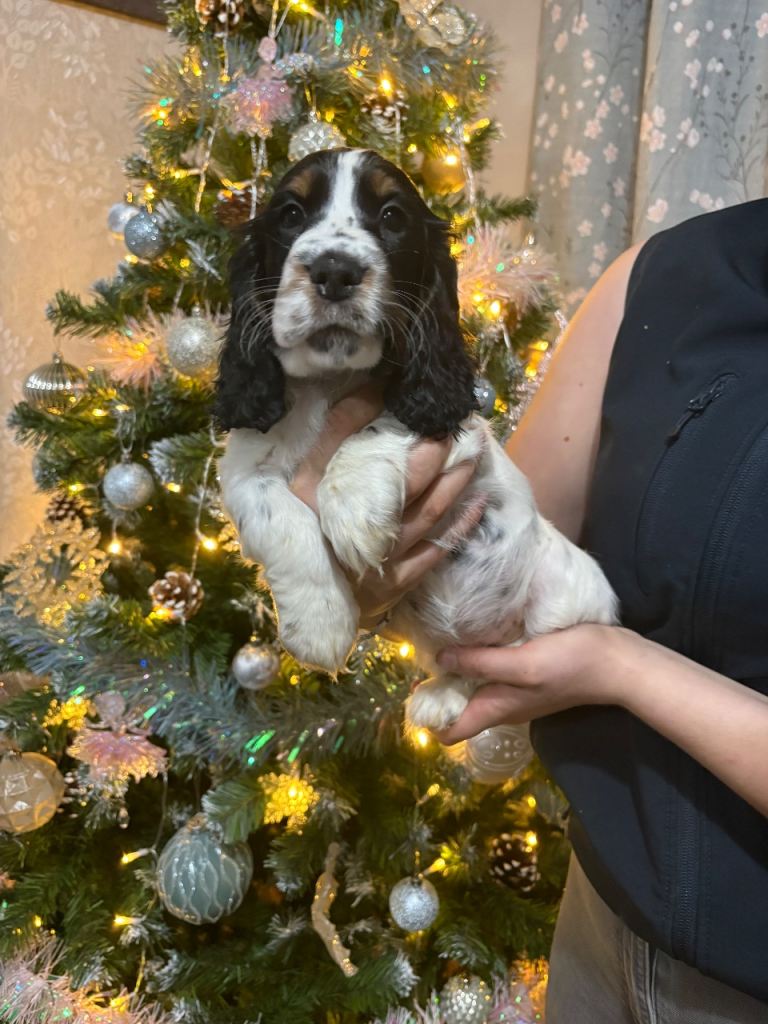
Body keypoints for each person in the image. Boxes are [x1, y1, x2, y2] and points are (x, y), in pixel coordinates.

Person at [290, 200, 768, 1022]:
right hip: (603, 912)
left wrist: (621, 668)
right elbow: (501, 529)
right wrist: (365, 553)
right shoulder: (661, 277)